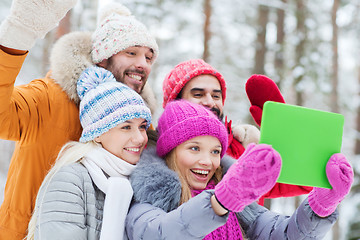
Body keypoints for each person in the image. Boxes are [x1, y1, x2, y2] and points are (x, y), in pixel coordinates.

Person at [0, 1, 158, 238]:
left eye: (149, 57)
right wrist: (19, 32)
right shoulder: (50, 97)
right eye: (131, 52)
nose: (142, 64)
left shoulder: (140, 124)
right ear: (103, 59)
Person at [126, 100, 353, 240]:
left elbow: (282, 234)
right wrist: (220, 201)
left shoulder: (237, 204)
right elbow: (160, 233)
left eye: (215, 151)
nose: (207, 161)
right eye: (194, 148)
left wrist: (322, 204)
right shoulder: (147, 200)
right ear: (170, 151)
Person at [162, 59, 313, 205]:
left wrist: (282, 132)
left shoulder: (241, 150)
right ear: (175, 102)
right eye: (198, 94)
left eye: (216, 96)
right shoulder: (161, 154)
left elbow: (306, 180)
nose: (209, 102)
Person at [26, 66, 152, 240]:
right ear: (98, 133)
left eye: (142, 127)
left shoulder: (143, 181)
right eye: (126, 127)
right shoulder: (70, 181)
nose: (139, 138)